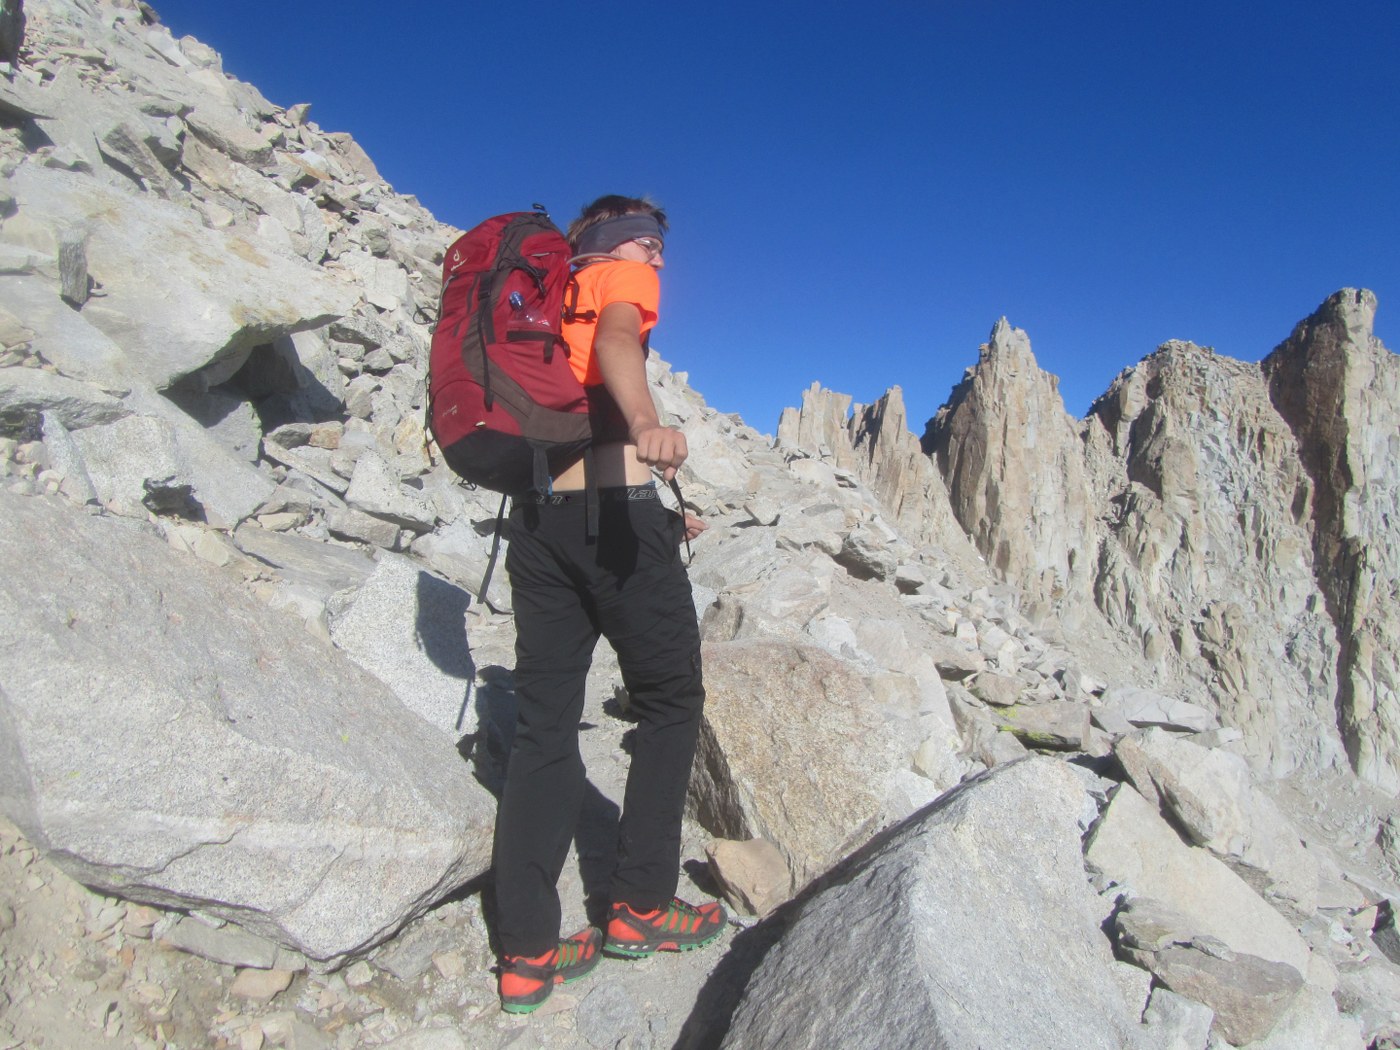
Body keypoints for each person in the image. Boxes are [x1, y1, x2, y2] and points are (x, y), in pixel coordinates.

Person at [492, 195, 726, 1014]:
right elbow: (621, 341)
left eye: (657, 245)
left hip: (537, 527)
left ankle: (525, 953)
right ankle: (640, 908)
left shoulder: (539, 298)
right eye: (645, 241)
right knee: (670, 702)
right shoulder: (614, 278)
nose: (656, 257)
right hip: (614, 521)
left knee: (543, 728)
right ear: (607, 243)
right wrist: (649, 424)